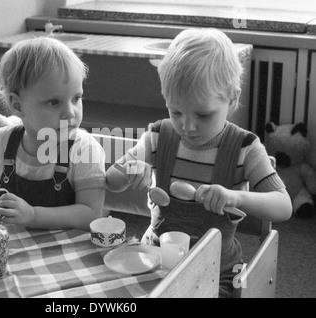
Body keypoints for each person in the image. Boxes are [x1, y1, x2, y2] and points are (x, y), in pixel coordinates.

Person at [105, 28, 292, 297]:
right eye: (175, 111)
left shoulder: (245, 148)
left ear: (232, 99)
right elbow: (111, 180)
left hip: (219, 272)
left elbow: (283, 206)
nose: (187, 126)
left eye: (203, 115)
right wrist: (130, 170)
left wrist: (235, 198)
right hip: (155, 262)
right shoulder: (159, 135)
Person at [0, 37, 106, 231]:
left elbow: (90, 214)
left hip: (65, 253)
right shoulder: (1, 142)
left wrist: (33, 215)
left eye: (76, 98)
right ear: (18, 105)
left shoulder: (84, 150)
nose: (70, 112)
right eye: (54, 102)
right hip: (10, 248)